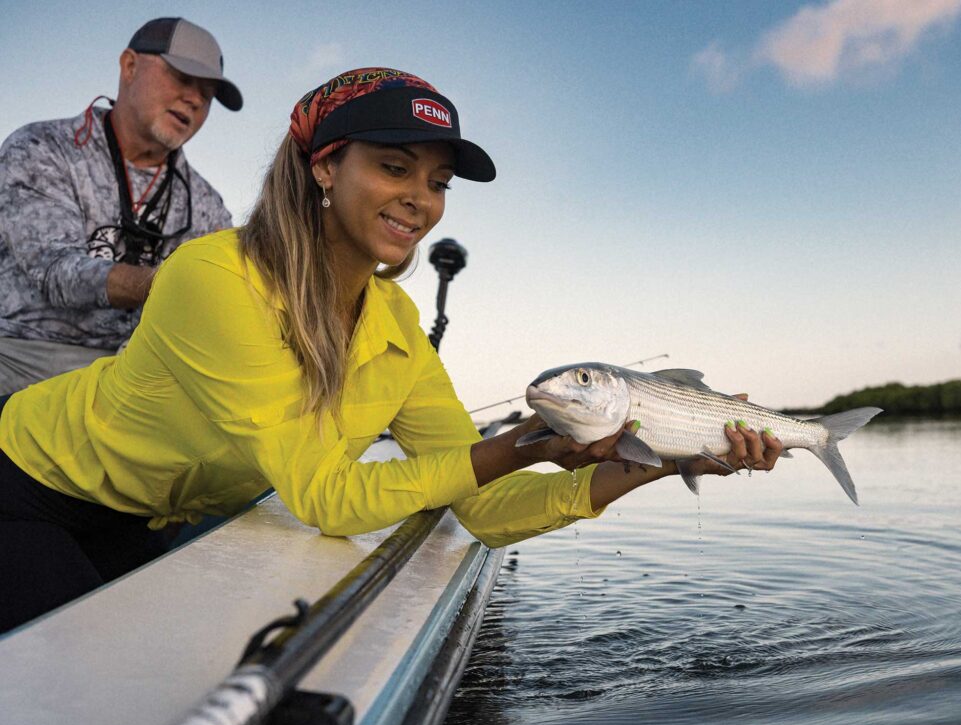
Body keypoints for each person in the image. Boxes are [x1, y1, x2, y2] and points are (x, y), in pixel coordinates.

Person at [0, 68, 782, 634]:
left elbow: (485, 514)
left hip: (150, 516)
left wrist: (653, 463)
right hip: (31, 489)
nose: (423, 198)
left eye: (438, 180)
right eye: (395, 166)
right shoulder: (214, 277)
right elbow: (325, 499)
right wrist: (516, 447)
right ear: (325, 168)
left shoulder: (397, 322)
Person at [0, 17, 242, 391]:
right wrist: (177, 282)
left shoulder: (206, 203)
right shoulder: (42, 148)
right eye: (181, 77)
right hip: (26, 356)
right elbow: (55, 273)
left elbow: (233, 289)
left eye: (207, 94)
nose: (194, 99)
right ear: (129, 66)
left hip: (138, 369)